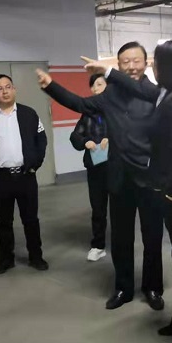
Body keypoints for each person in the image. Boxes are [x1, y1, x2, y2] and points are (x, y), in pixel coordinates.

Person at [79, 42, 172, 343]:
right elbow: (135, 87)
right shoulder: (167, 94)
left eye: (154, 62)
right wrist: (107, 72)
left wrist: (169, 192)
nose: (150, 67)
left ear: (167, 67)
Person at [35, 42, 165, 312]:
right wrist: (51, 86)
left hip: (150, 176)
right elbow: (80, 103)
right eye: (125, 62)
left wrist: (107, 72)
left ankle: (152, 287)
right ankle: (123, 288)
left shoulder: (154, 92)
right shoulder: (110, 96)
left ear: (146, 63)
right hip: (118, 177)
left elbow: (143, 90)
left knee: (152, 237)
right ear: (119, 64)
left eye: (136, 61)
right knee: (121, 238)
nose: (131, 66)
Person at [0, 74, 49, 275]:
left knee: (31, 219)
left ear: (14, 89)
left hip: (26, 176)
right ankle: (6, 259)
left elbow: (41, 141)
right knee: (3, 221)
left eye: (8, 87)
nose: (5, 91)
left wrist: (35, 164)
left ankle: (36, 257)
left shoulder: (29, 114)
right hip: (1, 178)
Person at [69, 73, 110, 262]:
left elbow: (129, 134)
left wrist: (112, 139)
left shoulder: (117, 110)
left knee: (119, 209)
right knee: (98, 208)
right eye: (93, 86)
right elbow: (75, 136)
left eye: (100, 84)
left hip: (117, 167)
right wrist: (85, 141)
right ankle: (98, 246)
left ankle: (121, 243)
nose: (95, 88)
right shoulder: (88, 114)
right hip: (96, 167)